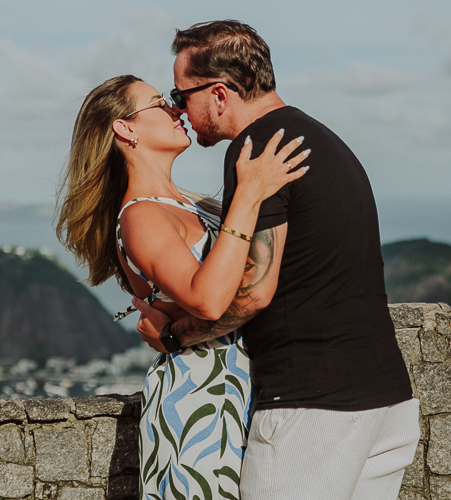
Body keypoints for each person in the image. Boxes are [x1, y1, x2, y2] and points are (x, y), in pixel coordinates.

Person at [132, 20, 421, 500]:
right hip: (387, 399)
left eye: (181, 95)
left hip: (313, 409)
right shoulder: (319, 138)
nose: (178, 108)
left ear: (219, 94)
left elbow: (253, 293)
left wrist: (172, 335)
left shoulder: (257, 151)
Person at [55, 74, 309, 500]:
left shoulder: (191, 204)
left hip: (241, 388)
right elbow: (208, 299)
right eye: (159, 103)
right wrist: (249, 194)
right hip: (198, 401)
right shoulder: (140, 216)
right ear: (126, 129)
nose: (176, 108)